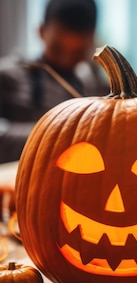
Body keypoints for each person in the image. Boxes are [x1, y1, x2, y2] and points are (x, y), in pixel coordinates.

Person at [0, 0, 107, 164]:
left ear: (91, 41)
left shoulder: (90, 81)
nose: (65, 60)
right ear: (41, 31)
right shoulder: (8, 75)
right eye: (57, 48)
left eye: (77, 52)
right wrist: (59, 133)